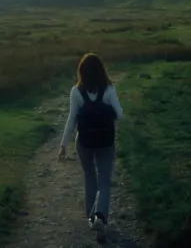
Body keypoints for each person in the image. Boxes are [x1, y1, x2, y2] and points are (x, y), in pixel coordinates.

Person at [58, 53, 124, 242]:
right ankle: (100, 217)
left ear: (82, 72)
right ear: (102, 70)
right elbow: (119, 115)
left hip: (84, 142)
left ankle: (91, 216)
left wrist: (63, 145)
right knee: (104, 180)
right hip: (106, 142)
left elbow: (72, 120)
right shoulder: (109, 89)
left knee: (89, 177)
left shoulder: (76, 91)